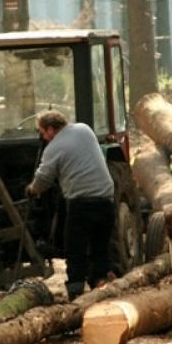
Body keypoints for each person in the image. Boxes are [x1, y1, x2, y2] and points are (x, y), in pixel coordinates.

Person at [26, 109, 115, 300]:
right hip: (106, 200)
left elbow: (43, 180)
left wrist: (31, 190)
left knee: (75, 250)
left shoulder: (53, 148)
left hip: (81, 203)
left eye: (42, 133)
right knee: (100, 248)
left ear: (50, 129)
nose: (44, 137)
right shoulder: (84, 130)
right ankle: (102, 284)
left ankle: (75, 293)